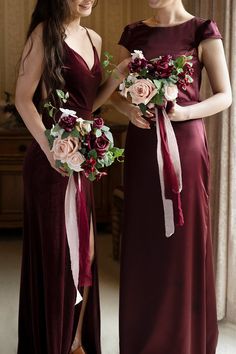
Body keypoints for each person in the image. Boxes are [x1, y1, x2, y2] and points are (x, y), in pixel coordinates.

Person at [110, 0, 232, 353]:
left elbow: (225, 96)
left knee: (183, 240)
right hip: (143, 148)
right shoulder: (134, 32)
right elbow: (114, 93)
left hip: (187, 147)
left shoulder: (202, 29)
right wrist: (130, 109)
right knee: (145, 242)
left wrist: (185, 113)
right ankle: (142, 341)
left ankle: (183, 341)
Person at [15, 1, 129, 353]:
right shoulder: (44, 34)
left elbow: (87, 104)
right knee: (58, 256)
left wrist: (117, 77)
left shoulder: (93, 37)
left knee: (87, 252)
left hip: (81, 161)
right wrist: (52, 151)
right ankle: (55, 342)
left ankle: (76, 340)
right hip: (50, 162)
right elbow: (23, 99)